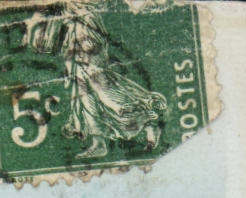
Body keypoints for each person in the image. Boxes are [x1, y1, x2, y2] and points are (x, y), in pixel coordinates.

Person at [28, 3, 170, 159]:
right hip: (75, 33)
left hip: (87, 33)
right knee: (84, 92)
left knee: (104, 91)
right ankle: (99, 143)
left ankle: (147, 120)